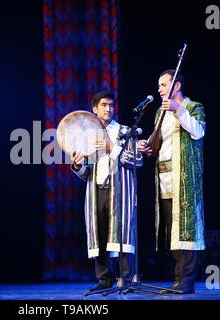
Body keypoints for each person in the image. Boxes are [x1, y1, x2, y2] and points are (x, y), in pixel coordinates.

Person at [138, 70, 206, 294]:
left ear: (176, 85)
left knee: (186, 229)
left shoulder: (194, 107)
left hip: (184, 177)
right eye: (159, 85)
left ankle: (187, 280)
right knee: (172, 230)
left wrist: (180, 111)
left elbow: (198, 132)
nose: (159, 89)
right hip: (164, 176)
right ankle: (178, 278)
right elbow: (159, 141)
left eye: (163, 84)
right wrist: (146, 145)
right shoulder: (159, 112)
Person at [71, 91, 143, 293]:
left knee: (122, 233)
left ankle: (126, 279)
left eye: (111, 105)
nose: (108, 109)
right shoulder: (87, 137)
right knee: (100, 234)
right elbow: (85, 173)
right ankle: (104, 279)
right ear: (95, 109)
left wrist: (113, 147)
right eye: (103, 105)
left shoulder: (125, 131)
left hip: (120, 190)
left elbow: (137, 160)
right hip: (97, 191)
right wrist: (78, 165)